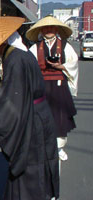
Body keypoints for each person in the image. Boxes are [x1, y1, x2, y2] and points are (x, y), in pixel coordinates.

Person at [0, 17, 59, 200]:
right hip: (36, 115)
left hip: (31, 123)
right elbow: (15, 89)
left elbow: (11, 105)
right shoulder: (17, 55)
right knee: (30, 176)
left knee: (30, 176)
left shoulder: (15, 60)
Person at [26, 15, 79, 166]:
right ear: (41, 31)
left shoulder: (65, 46)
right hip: (41, 87)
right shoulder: (35, 47)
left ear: (56, 30)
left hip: (59, 85)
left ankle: (60, 147)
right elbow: (29, 65)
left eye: (51, 28)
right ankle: (42, 146)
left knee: (60, 118)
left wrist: (61, 67)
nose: (48, 30)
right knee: (40, 117)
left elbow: (73, 62)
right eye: (46, 28)